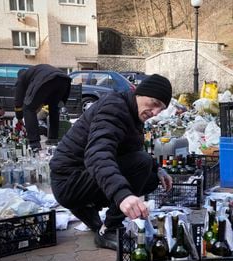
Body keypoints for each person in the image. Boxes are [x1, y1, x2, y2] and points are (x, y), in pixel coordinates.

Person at [49, 74, 174, 250]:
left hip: (80, 177)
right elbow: (97, 153)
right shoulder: (114, 108)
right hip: (68, 181)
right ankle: (110, 228)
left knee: (151, 177)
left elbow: (132, 149)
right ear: (140, 93)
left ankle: (87, 208)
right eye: (154, 103)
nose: (154, 112)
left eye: (160, 109)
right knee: (141, 164)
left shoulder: (132, 111)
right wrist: (123, 195)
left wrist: (158, 169)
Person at [14, 64, 72, 150]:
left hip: (48, 79)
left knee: (29, 109)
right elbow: (45, 96)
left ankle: (34, 144)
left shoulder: (22, 78)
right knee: (54, 108)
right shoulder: (35, 72)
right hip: (64, 80)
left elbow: (18, 100)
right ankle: (53, 139)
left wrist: (19, 117)